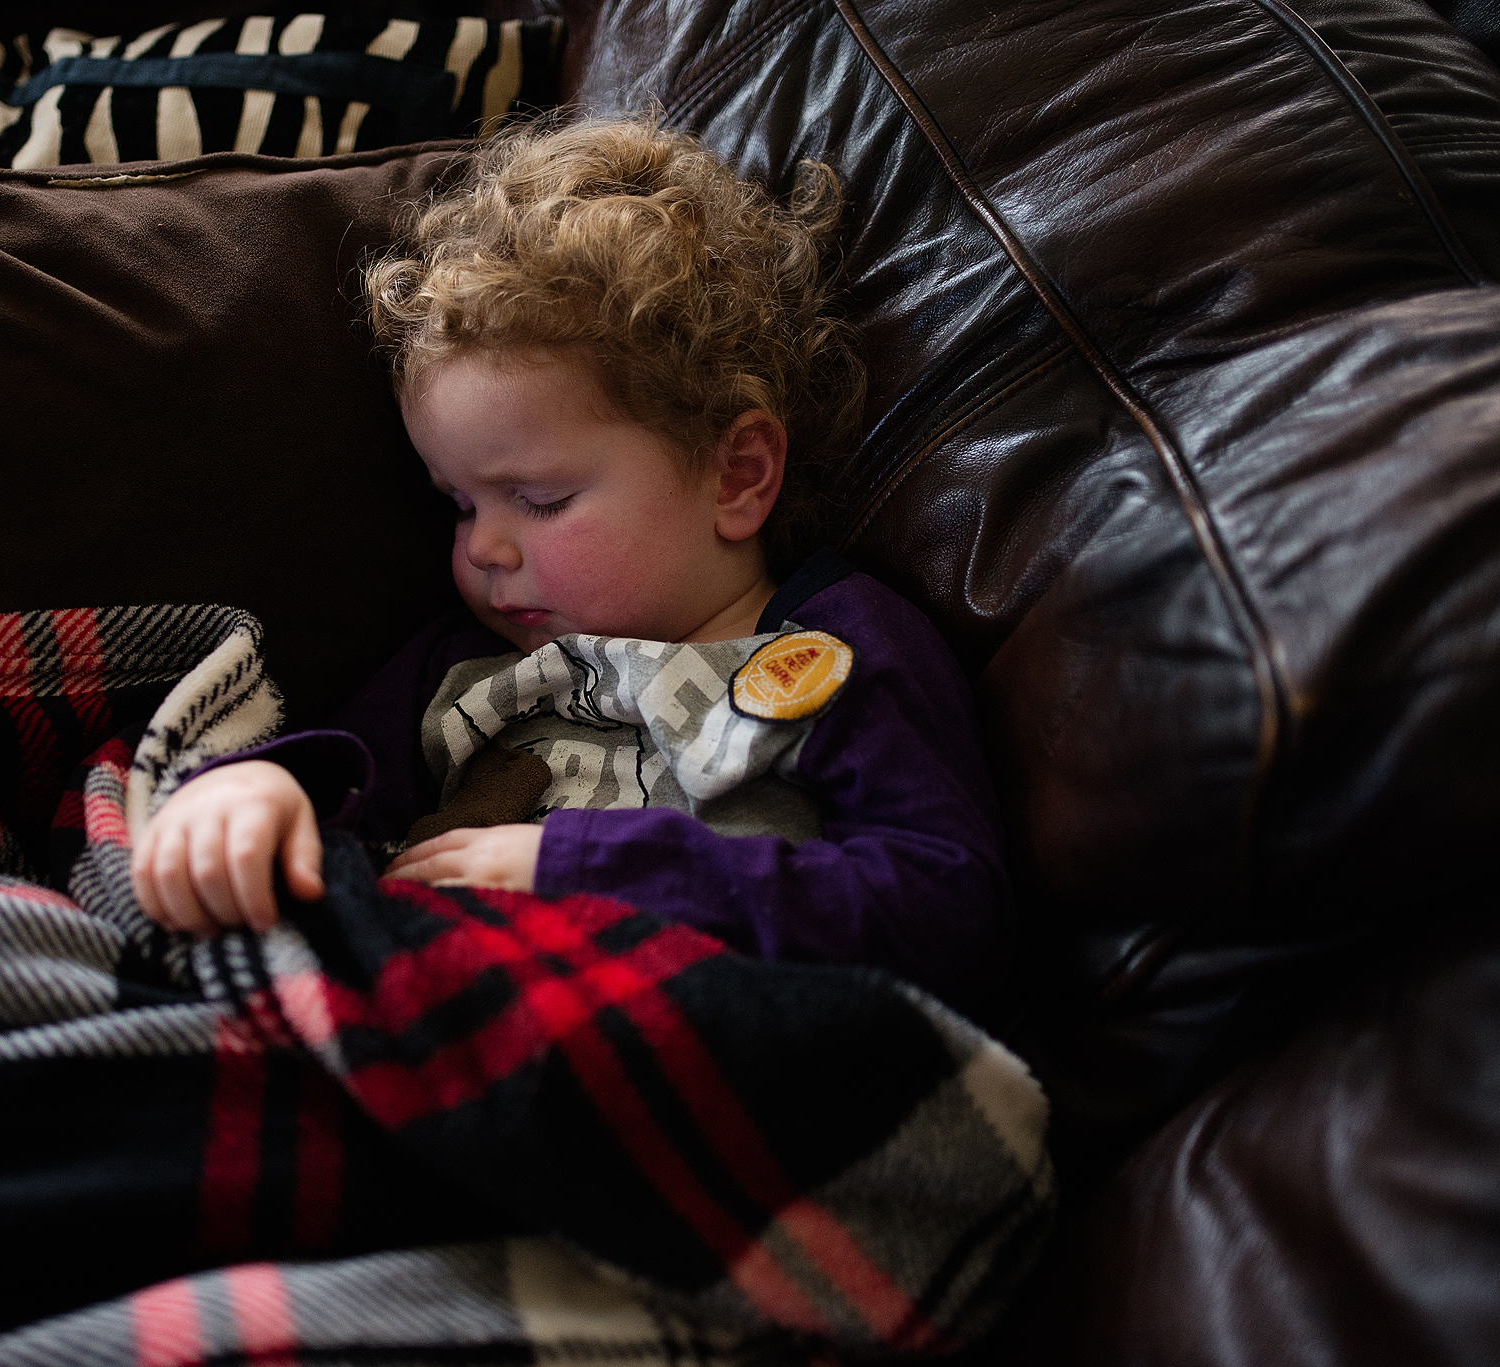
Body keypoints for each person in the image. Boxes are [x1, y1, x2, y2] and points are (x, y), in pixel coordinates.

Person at [130, 118, 1012, 1012]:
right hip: (420, 1009)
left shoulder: (841, 655)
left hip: (694, 1034)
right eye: (460, 503)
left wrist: (580, 867)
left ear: (736, 475)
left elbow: (946, 905)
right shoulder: (464, 671)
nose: (484, 547)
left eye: (541, 499)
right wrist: (248, 792)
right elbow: (324, 774)